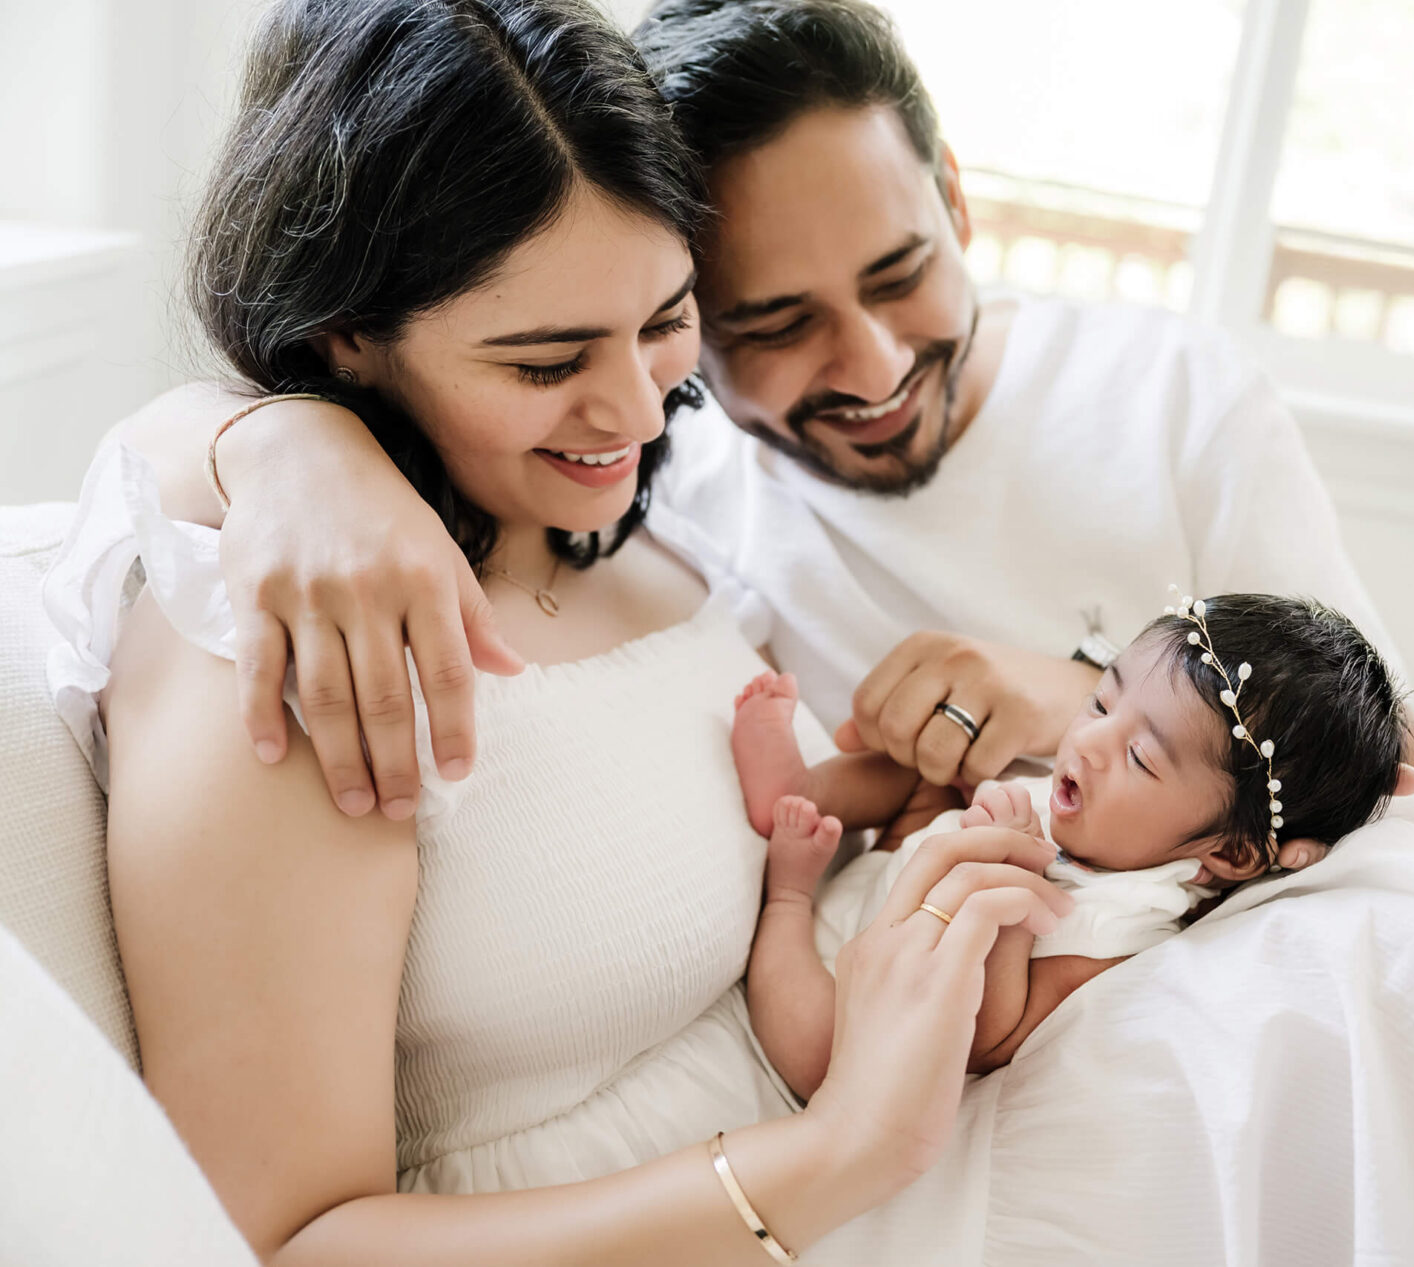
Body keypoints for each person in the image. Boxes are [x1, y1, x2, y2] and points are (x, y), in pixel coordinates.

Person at [102, 0, 1414, 1257]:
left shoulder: (1151, 395)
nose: (868, 361)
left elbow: (1394, 767)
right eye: (765, 325)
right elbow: (179, 463)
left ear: (959, 203)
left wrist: (1065, 704)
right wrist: (279, 443)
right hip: (1083, 1071)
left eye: (658, 332)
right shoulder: (643, 498)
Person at [43, 3, 1072, 1262]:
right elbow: (285, 1240)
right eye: (545, 363)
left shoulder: (624, 521)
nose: (638, 411)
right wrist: (841, 1153)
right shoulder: (302, 650)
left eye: (667, 320)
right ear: (346, 334)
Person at [737, 592, 1414, 1093]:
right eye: (1101, 700)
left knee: (816, 1052)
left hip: (855, 1002)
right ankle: (806, 789)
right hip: (898, 872)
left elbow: (990, 1040)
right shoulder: (1098, 804)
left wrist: (1011, 896)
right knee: (931, 774)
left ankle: (788, 897)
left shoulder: (1119, 928)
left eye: (1140, 757)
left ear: (1232, 854)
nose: (1089, 741)